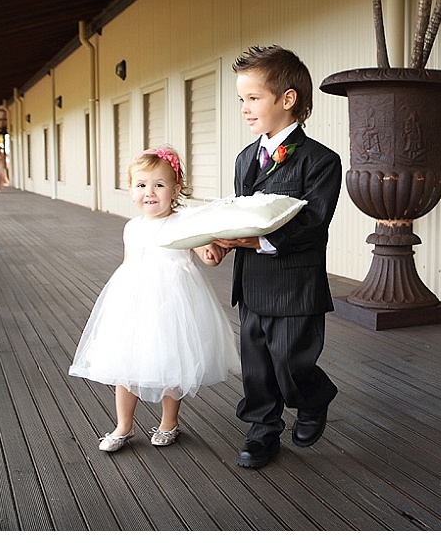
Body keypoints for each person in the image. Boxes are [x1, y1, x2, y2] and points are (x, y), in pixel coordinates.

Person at [198, 43, 341, 470]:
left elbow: (313, 223)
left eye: (253, 98)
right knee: (258, 366)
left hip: (296, 283)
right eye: (241, 99)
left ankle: (313, 398)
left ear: (288, 99)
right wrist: (221, 240)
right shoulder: (246, 158)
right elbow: (243, 215)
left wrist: (256, 242)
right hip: (254, 282)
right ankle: (262, 430)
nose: (244, 107)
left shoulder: (321, 161)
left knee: (292, 363)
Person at [71, 144, 239, 453]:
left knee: (170, 360)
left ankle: (168, 422)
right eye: (141, 185)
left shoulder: (185, 222)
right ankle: (123, 425)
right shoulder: (131, 226)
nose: (150, 192)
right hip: (133, 301)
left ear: (176, 188)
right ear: (131, 189)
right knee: (125, 363)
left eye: (159, 185)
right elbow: (128, 262)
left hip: (172, 303)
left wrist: (215, 249)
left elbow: (208, 256)